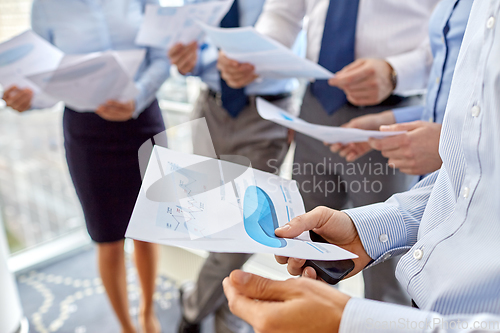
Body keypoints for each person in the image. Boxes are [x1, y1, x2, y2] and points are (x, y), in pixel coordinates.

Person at [222, 1, 500, 332]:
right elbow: (472, 177)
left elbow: (443, 50)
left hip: (393, 110)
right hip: (317, 107)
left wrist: (396, 73)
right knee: (312, 254)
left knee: (387, 285)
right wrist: (364, 229)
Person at [2, 1, 170, 332]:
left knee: (149, 229)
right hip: (88, 132)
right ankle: (126, 326)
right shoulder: (47, 7)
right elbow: (42, 79)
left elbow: (162, 57)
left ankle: (148, 313)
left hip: (142, 119)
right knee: (107, 237)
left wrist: (136, 96)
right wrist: (26, 98)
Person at [167, 1, 303, 332]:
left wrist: (261, 64)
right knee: (211, 219)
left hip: (266, 114)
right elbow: (188, 46)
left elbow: (304, 49)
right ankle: (226, 314)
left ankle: (193, 307)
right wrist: (186, 61)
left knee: (242, 228)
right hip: (209, 106)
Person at [329, 0, 473, 178]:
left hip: (469, 178)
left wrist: (449, 147)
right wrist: (390, 121)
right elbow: (448, 97)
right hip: (432, 174)